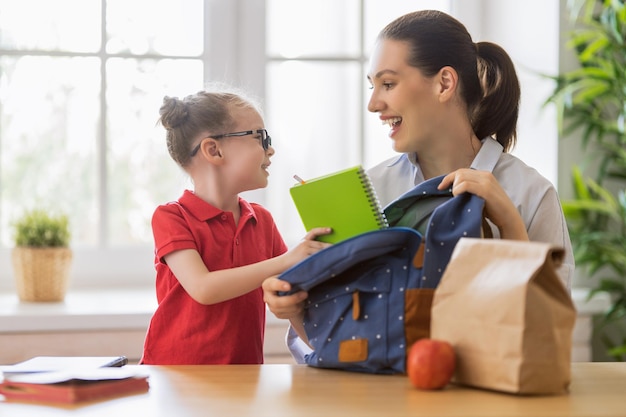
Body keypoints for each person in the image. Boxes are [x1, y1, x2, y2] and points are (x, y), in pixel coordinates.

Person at [262, 9, 574, 363]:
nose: (373, 103)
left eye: (388, 84)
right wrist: (294, 310)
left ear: (444, 83)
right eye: (372, 86)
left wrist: (509, 223)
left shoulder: (529, 194)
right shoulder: (373, 190)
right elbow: (338, 342)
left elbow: (548, 334)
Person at [140, 88, 331, 365]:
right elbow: (204, 288)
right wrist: (287, 259)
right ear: (214, 150)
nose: (271, 149)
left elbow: (289, 296)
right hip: (174, 379)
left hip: (244, 378)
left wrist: (328, 349)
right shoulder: (172, 217)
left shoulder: (262, 221)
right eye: (260, 137)